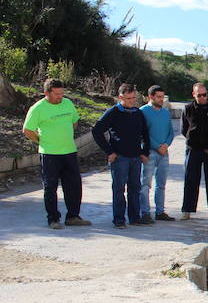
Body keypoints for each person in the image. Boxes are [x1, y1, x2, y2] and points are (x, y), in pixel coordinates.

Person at [22, 78, 92, 229]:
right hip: (50, 154)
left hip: (69, 152)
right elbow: (27, 130)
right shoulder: (38, 108)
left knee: (74, 186)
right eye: (56, 94)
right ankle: (53, 219)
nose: (60, 96)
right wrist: (41, 141)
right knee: (50, 187)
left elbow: (75, 122)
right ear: (46, 93)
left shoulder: (67, 103)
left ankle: (73, 217)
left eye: (62, 93)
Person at [92, 83, 150, 228]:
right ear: (120, 97)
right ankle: (119, 220)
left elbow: (145, 134)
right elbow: (96, 131)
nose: (132, 101)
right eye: (128, 98)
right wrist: (109, 151)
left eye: (133, 98)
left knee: (135, 188)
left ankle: (135, 218)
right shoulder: (112, 113)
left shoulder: (138, 113)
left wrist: (145, 152)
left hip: (136, 158)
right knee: (119, 189)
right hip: (119, 158)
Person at [180, 82, 208, 220]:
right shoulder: (188, 108)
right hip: (193, 150)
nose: (203, 97)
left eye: (205, 94)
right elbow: (183, 129)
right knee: (190, 180)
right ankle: (187, 210)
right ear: (194, 94)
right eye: (199, 95)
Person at [139, 85, 175, 222]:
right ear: (151, 97)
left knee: (161, 184)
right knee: (145, 183)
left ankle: (160, 211)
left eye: (162, 97)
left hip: (164, 153)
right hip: (149, 152)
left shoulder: (165, 112)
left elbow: (171, 132)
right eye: (159, 97)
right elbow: (143, 133)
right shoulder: (143, 111)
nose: (161, 100)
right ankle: (145, 212)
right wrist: (156, 146)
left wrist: (166, 145)